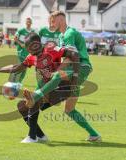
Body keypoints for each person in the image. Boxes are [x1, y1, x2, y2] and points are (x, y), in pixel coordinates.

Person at [0, 32, 79, 143]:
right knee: (22, 106)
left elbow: (74, 53)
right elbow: (17, 67)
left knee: (33, 101)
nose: (28, 50)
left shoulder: (51, 50)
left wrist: (74, 78)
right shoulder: (31, 57)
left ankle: (32, 137)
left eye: (29, 47)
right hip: (47, 90)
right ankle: (40, 136)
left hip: (60, 88)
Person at [42, 11, 101, 141]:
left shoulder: (69, 33)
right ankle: (94, 134)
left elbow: (72, 58)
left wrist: (55, 71)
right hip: (76, 70)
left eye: (52, 21)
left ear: (61, 21)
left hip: (81, 67)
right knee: (69, 109)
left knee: (57, 77)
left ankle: (37, 96)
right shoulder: (62, 36)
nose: (50, 25)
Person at [12, 17, 35, 83]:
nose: (28, 23)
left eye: (29, 22)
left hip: (28, 53)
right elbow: (15, 38)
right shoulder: (21, 30)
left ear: (31, 23)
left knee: (24, 69)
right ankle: (14, 80)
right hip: (21, 52)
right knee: (20, 67)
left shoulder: (33, 31)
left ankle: (19, 82)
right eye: (27, 22)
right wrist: (21, 44)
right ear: (25, 22)